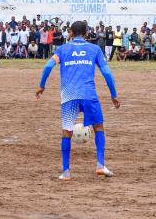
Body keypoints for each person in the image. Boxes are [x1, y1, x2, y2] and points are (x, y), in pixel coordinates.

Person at [36, 21, 120, 181]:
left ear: (70, 32)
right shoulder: (94, 49)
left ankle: (66, 172)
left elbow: (48, 66)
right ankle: (100, 165)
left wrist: (42, 86)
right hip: (89, 94)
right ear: (87, 32)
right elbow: (106, 72)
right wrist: (113, 94)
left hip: (69, 96)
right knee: (98, 127)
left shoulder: (62, 49)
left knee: (66, 132)